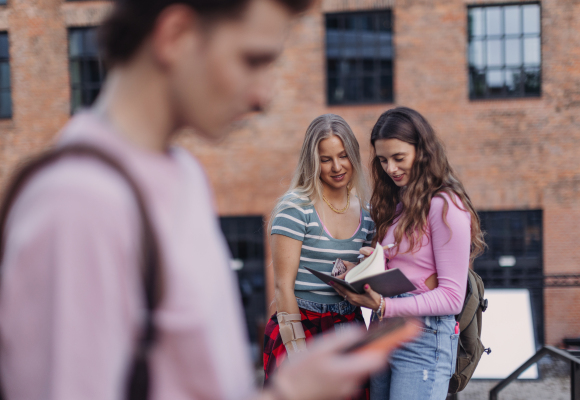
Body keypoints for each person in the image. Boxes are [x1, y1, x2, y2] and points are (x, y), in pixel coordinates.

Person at [0, 1, 390, 399]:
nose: (264, 95)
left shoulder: (182, 172)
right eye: (251, 60)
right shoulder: (78, 204)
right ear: (176, 36)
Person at [332, 107, 486, 400]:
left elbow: (452, 298)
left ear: (423, 151)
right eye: (382, 160)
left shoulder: (445, 205)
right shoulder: (399, 203)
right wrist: (365, 268)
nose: (390, 168)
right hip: (384, 332)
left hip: (423, 337)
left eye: (398, 158)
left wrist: (384, 306)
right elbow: (410, 274)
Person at [263, 114, 375, 394]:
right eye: (326, 159)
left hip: (349, 324)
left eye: (343, 155)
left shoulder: (368, 213)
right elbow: (282, 288)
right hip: (301, 322)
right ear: (313, 162)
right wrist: (297, 351)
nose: (337, 167)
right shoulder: (295, 208)